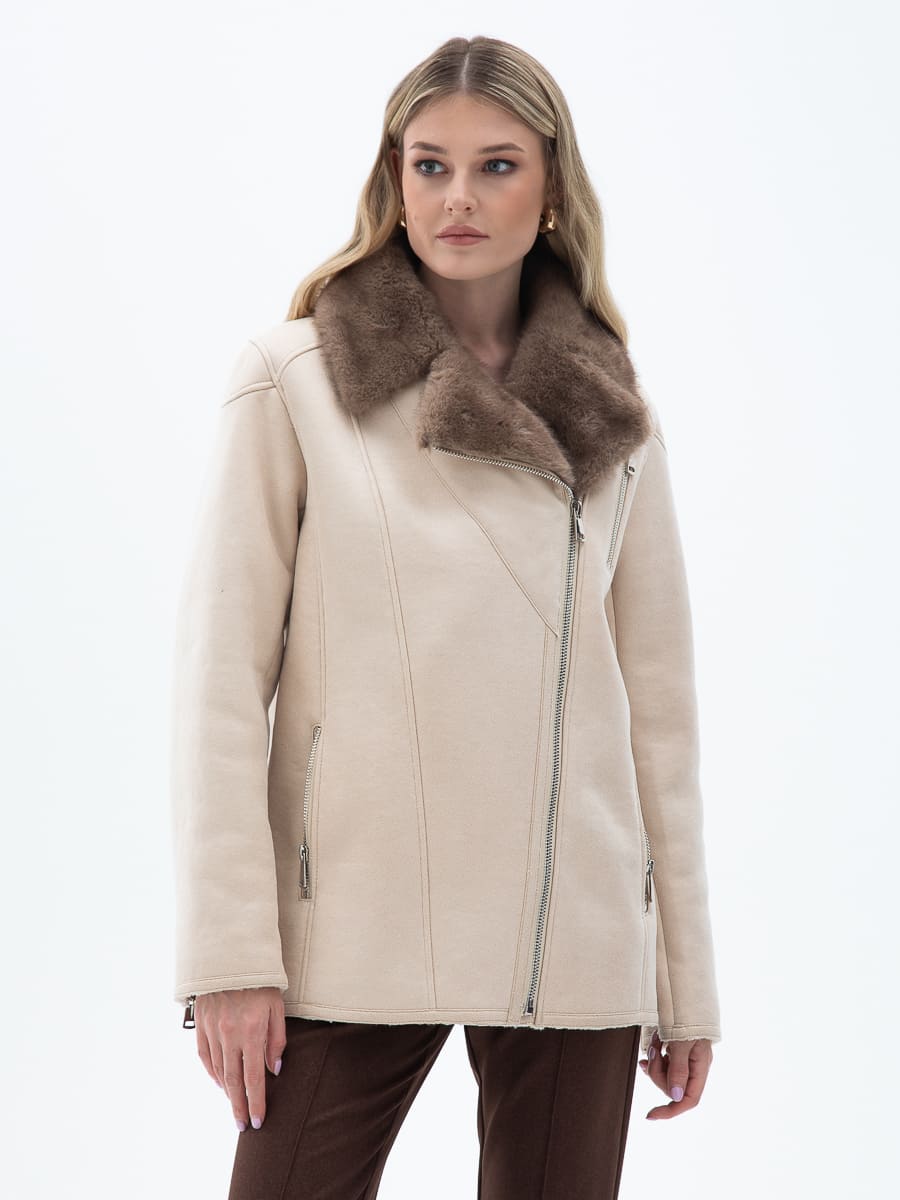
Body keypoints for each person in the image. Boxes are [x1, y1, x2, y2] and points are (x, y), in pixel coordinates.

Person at [169, 34, 722, 1200]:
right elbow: (219, 684)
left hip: (571, 936)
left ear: (553, 185)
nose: (459, 196)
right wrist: (229, 955)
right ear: (396, 180)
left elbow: (659, 715)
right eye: (431, 165)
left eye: (496, 165)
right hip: (351, 922)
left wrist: (683, 981)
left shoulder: (614, 408)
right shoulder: (296, 378)